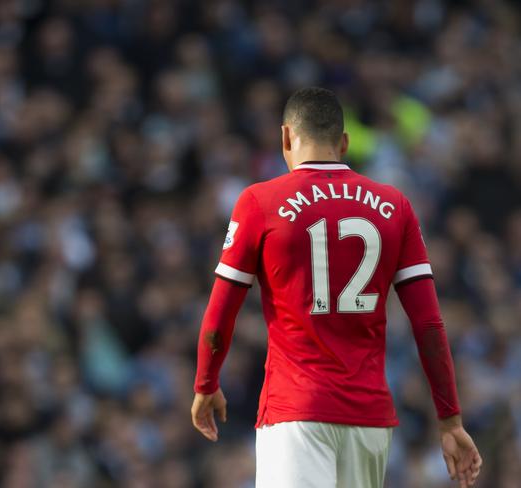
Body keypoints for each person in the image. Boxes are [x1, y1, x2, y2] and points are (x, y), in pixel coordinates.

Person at [191, 87, 482, 488]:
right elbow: (429, 323)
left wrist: (206, 383)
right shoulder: (394, 205)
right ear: (344, 142)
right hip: (369, 418)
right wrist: (450, 420)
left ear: (286, 138)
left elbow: (220, 312)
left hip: (296, 410)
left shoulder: (260, 202)